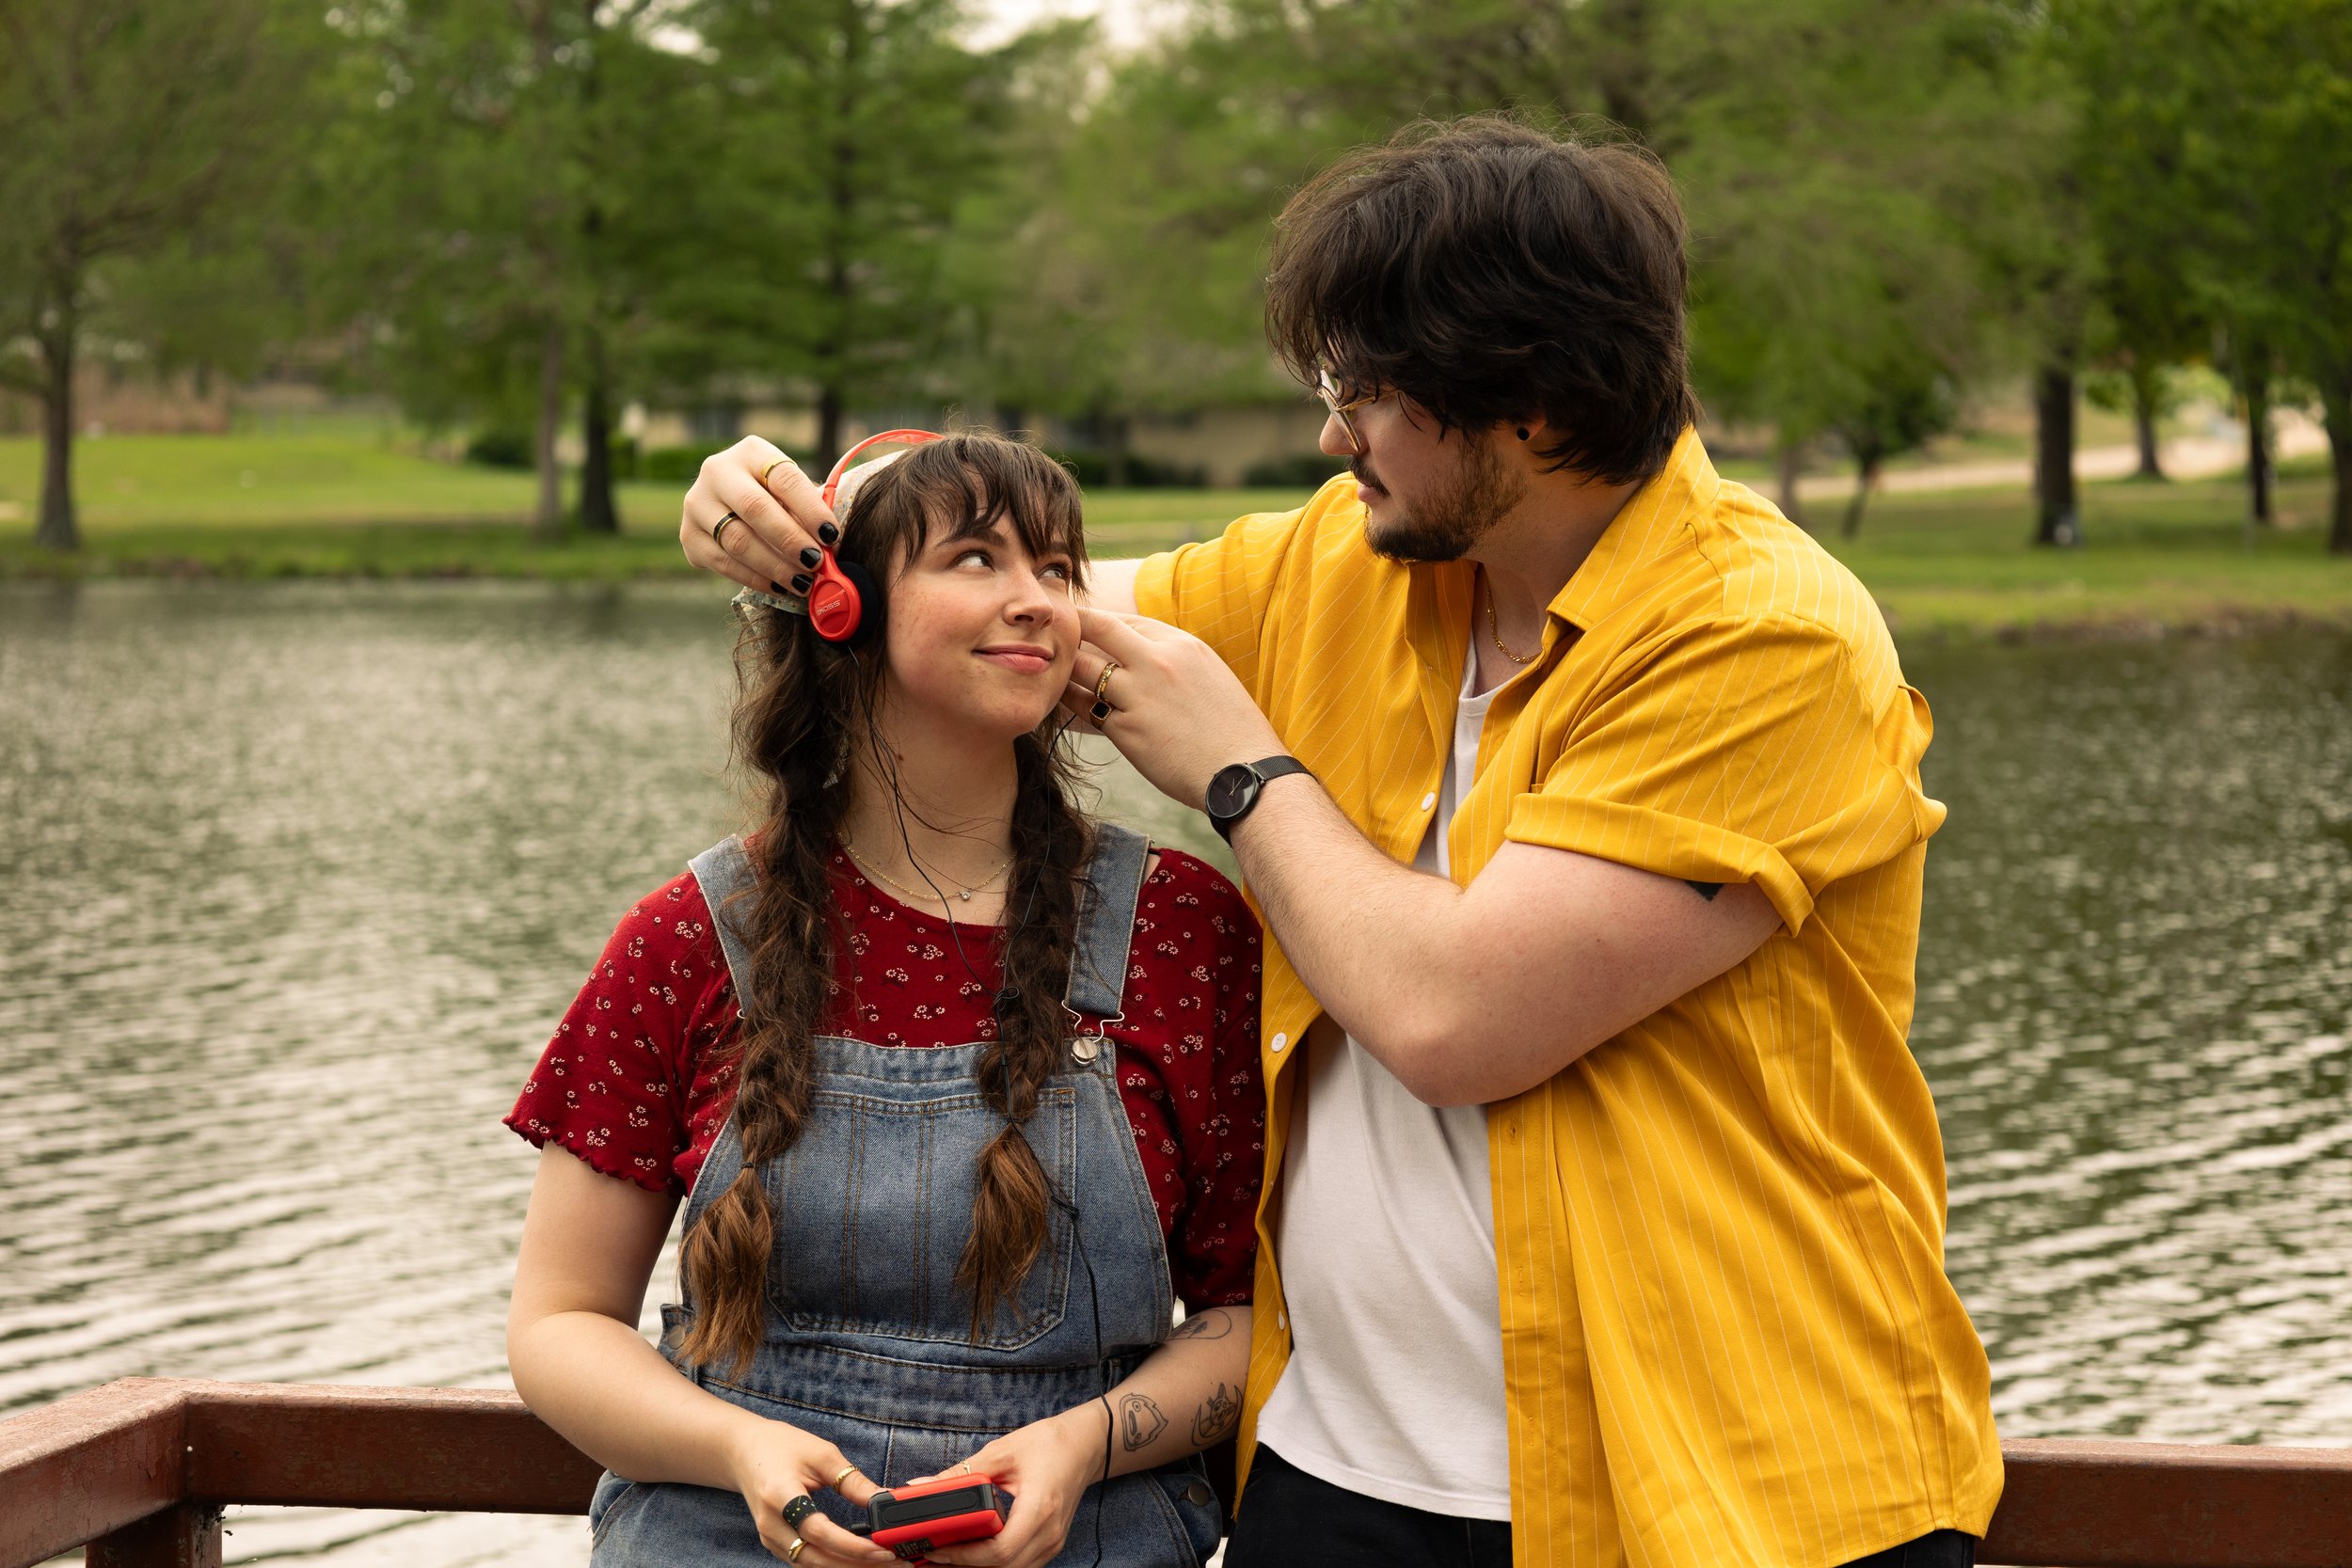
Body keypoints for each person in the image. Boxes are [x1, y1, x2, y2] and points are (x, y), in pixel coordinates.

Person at [677, 119, 2001, 1568]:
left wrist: (1242, 774)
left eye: (1366, 390)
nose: (1331, 434)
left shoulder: (1766, 640)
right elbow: (994, 611)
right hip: (1339, 1481)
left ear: (1532, 397)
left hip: (1726, 1494)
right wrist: (814, 507)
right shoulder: (1346, 559)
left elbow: (1454, 1015)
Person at [507, 433, 1265, 1568]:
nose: (1039, 602)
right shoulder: (689, 936)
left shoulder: (1180, 928)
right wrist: (739, 1448)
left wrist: (1083, 1444)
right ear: (839, 607)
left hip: (1084, 1533)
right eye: (976, 558)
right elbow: (558, 1323)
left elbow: (1252, 1315)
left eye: (1058, 568)